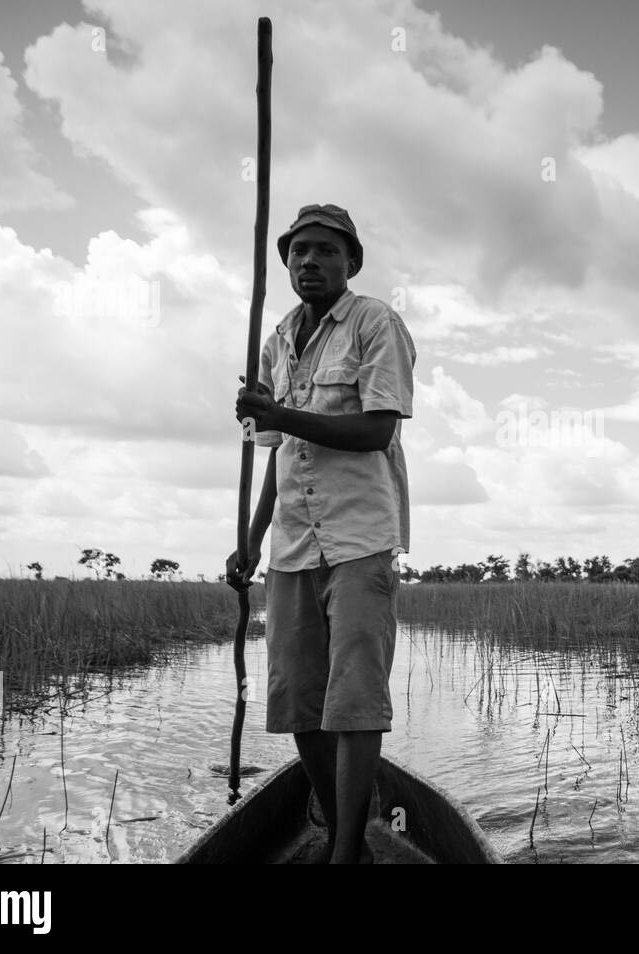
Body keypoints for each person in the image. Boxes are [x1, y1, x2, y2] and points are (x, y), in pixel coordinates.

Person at [226, 203, 415, 863]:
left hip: (360, 539)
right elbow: (275, 451)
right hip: (291, 545)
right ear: (286, 261)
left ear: (350, 262)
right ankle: (342, 825)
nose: (309, 261)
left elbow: (376, 430)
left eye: (325, 251)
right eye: (298, 251)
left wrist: (279, 411)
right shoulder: (278, 339)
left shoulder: (374, 322)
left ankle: (342, 851)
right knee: (299, 699)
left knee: (356, 699)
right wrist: (251, 542)